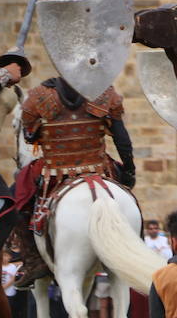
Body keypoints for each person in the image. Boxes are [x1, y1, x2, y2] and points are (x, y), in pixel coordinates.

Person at [13, 77, 135, 288]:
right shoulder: (103, 93)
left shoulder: (38, 96)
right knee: (125, 198)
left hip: (54, 170)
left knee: (17, 198)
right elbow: (121, 137)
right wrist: (129, 168)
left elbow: (29, 136)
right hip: (99, 167)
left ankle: (33, 260)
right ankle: (134, 248)